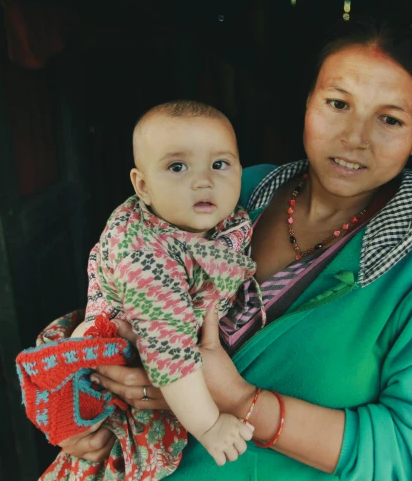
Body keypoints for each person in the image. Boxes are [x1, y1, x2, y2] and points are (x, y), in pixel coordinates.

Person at [58, 18, 412, 480]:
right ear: (308, 104)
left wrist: (238, 401)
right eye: (338, 104)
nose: (354, 138)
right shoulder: (236, 189)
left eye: (390, 119)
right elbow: (122, 279)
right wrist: (79, 406)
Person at [22, 101, 259, 478]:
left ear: (240, 172)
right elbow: (170, 355)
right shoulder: (144, 256)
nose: (203, 180)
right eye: (177, 167)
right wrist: (210, 427)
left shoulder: (223, 218)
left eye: (219, 164)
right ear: (143, 186)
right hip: (129, 366)